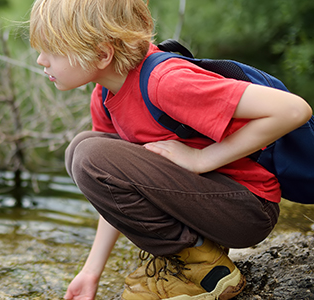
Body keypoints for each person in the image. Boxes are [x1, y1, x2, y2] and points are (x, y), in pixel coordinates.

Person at [29, 0, 313, 299]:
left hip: (247, 209)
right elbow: (109, 183)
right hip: (208, 205)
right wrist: (91, 271)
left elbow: (293, 110)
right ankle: (193, 259)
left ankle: (204, 269)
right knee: (84, 148)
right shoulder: (104, 95)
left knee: (86, 154)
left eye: (53, 50)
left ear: (102, 54)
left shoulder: (166, 81)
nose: (40, 60)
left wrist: (202, 158)